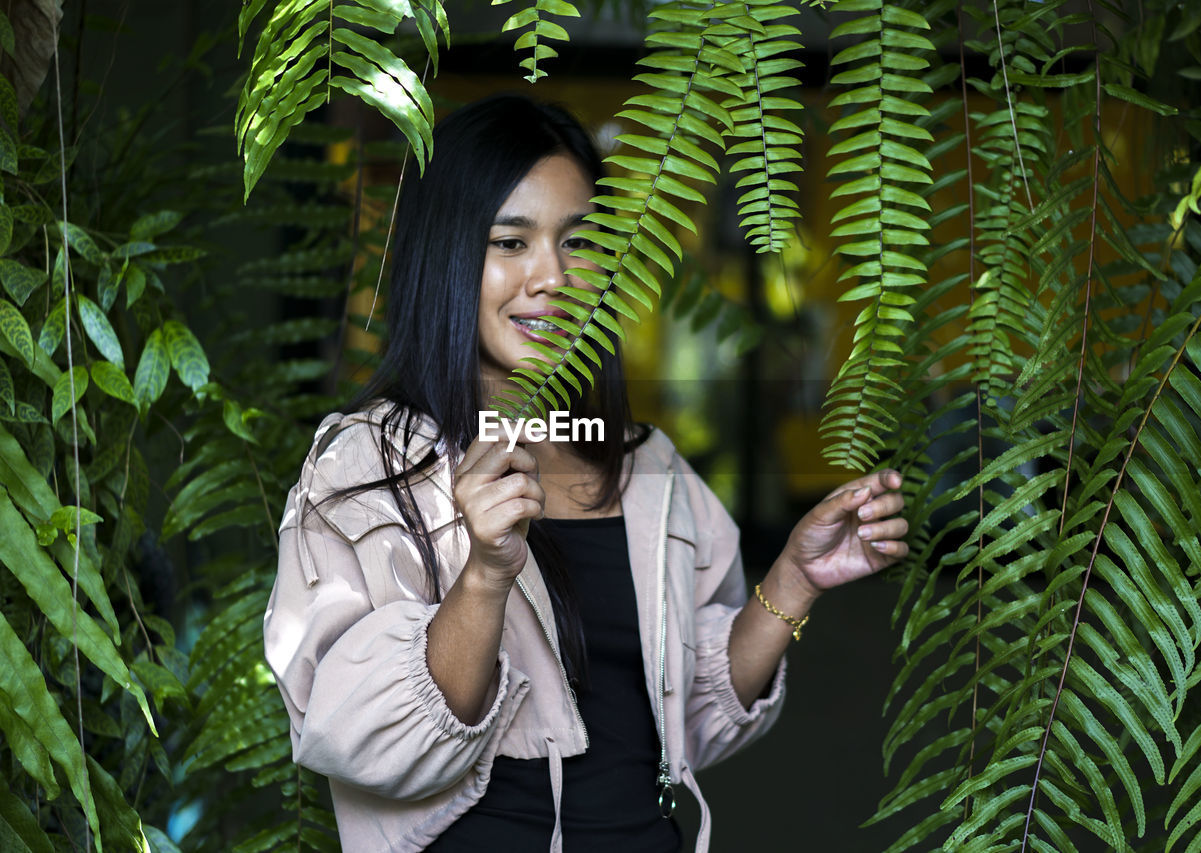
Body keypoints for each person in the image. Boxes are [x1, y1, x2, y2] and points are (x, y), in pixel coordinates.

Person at [263, 94, 909, 853]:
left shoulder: (644, 464)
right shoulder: (364, 467)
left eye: (579, 241)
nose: (553, 276)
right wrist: (485, 575)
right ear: (447, 257)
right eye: (511, 242)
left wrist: (796, 578)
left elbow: (690, 723)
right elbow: (373, 744)